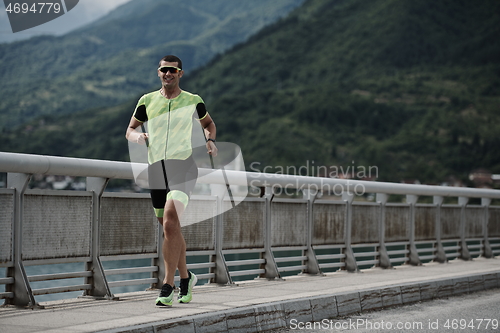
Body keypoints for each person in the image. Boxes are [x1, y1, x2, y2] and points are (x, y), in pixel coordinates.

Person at [126, 55, 217, 306]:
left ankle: (168, 285)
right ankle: (187, 278)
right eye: (164, 70)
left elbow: (209, 123)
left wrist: (210, 139)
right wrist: (136, 137)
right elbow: (130, 129)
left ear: (180, 73)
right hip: (156, 171)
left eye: (173, 70)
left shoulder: (193, 100)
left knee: (170, 221)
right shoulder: (146, 101)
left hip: (183, 168)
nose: (168, 74)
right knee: (170, 229)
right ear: (158, 73)